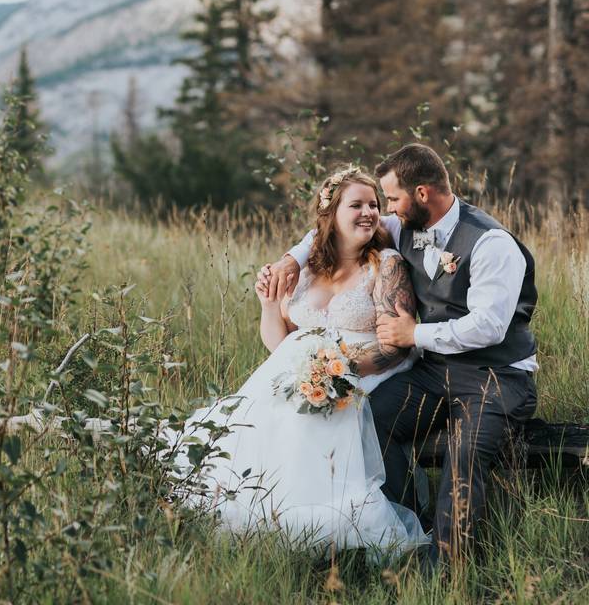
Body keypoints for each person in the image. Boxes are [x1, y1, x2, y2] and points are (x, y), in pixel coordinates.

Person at [265, 144, 538, 566]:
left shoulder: (491, 243)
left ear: (423, 193)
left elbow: (489, 326)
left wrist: (415, 333)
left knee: (464, 454)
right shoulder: (407, 221)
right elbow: (336, 222)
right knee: (371, 419)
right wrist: (292, 257)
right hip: (435, 372)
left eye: (392, 199)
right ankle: (415, 525)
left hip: (495, 374)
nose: (386, 209)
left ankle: (447, 569)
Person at [170, 167, 428, 554]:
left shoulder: (385, 264)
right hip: (302, 373)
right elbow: (280, 345)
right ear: (330, 215)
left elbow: (396, 348)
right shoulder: (307, 269)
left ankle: (320, 522)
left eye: (373, 205)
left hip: (364, 373)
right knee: (261, 420)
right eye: (356, 205)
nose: (369, 213)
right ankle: (269, 512)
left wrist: (335, 372)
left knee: (310, 419)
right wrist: (269, 305)